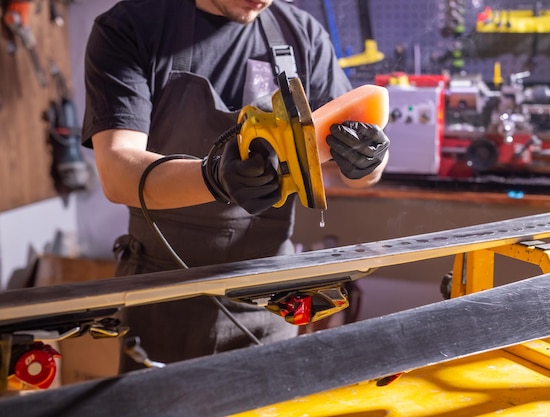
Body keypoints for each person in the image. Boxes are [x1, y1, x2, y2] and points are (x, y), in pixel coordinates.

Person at [82, 0, 390, 372]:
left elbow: (349, 169)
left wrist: (368, 162)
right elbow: (118, 170)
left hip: (270, 297)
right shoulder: (131, 27)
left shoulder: (301, 35)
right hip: (162, 295)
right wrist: (212, 177)